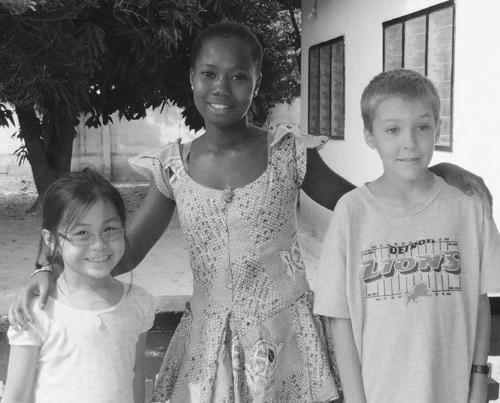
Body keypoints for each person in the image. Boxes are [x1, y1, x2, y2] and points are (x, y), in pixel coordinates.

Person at [8, 24, 492, 403]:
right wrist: (45, 269)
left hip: (288, 341)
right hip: (208, 349)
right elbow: (123, 251)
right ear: (192, 79)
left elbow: (365, 203)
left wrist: (432, 172)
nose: (222, 87)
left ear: (256, 83)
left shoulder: (288, 152)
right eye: (209, 74)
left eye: (239, 76)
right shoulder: (173, 166)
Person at [313, 69, 500, 403]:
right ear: (370, 135)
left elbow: (480, 299)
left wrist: (478, 381)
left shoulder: (468, 208)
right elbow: (339, 317)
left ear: (438, 128)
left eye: (422, 127)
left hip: (454, 393)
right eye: (393, 129)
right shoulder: (351, 213)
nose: (409, 143)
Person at [2, 168, 155, 403]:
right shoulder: (36, 313)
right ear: (51, 239)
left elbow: (135, 373)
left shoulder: (139, 302)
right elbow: (16, 397)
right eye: (82, 233)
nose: (99, 244)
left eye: (109, 229)